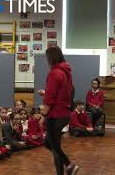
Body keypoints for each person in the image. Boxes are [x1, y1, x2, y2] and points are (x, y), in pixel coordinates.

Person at [38, 46, 79, 175]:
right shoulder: (66, 72)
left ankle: (69, 164)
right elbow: (68, 91)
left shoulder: (54, 73)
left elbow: (50, 99)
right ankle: (67, 167)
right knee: (52, 144)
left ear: (51, 57)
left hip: (55, 115)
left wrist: (43, 115)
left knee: (53, 145)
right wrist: (47, 92)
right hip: (64, 113)